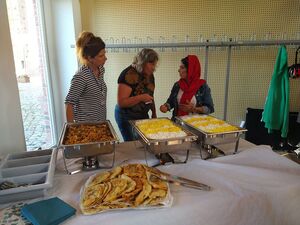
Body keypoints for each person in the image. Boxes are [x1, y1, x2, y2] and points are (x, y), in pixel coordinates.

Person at [115, 48, 159, 141]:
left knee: (145, 142)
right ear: (143, 62)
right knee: (133, 145)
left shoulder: (149, 74)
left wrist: (154, 113)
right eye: (151, 64)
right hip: (126, 116)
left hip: (142, 114)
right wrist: (141, 97)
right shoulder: (128, 74)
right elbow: (121, 102)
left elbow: (150, 96)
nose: (153, 67)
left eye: (154, 64)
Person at [65, 31, 107, 122]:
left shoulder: (101, 70)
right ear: (89, 58)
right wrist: (72, 130)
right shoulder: (81, 76)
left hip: (99, 125)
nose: (105, 58)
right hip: (86, 128)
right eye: (101, 56)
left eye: (105, 54)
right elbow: (69, 104)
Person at [160, 55, 214, 119]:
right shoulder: (177, 85)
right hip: (177, 123)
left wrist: (195, 109)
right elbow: (171, 102)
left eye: (182, 68)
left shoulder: (202, 86)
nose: (179, 70)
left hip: (196, 124)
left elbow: (210, 108)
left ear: (191, 70)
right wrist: (165, 107)